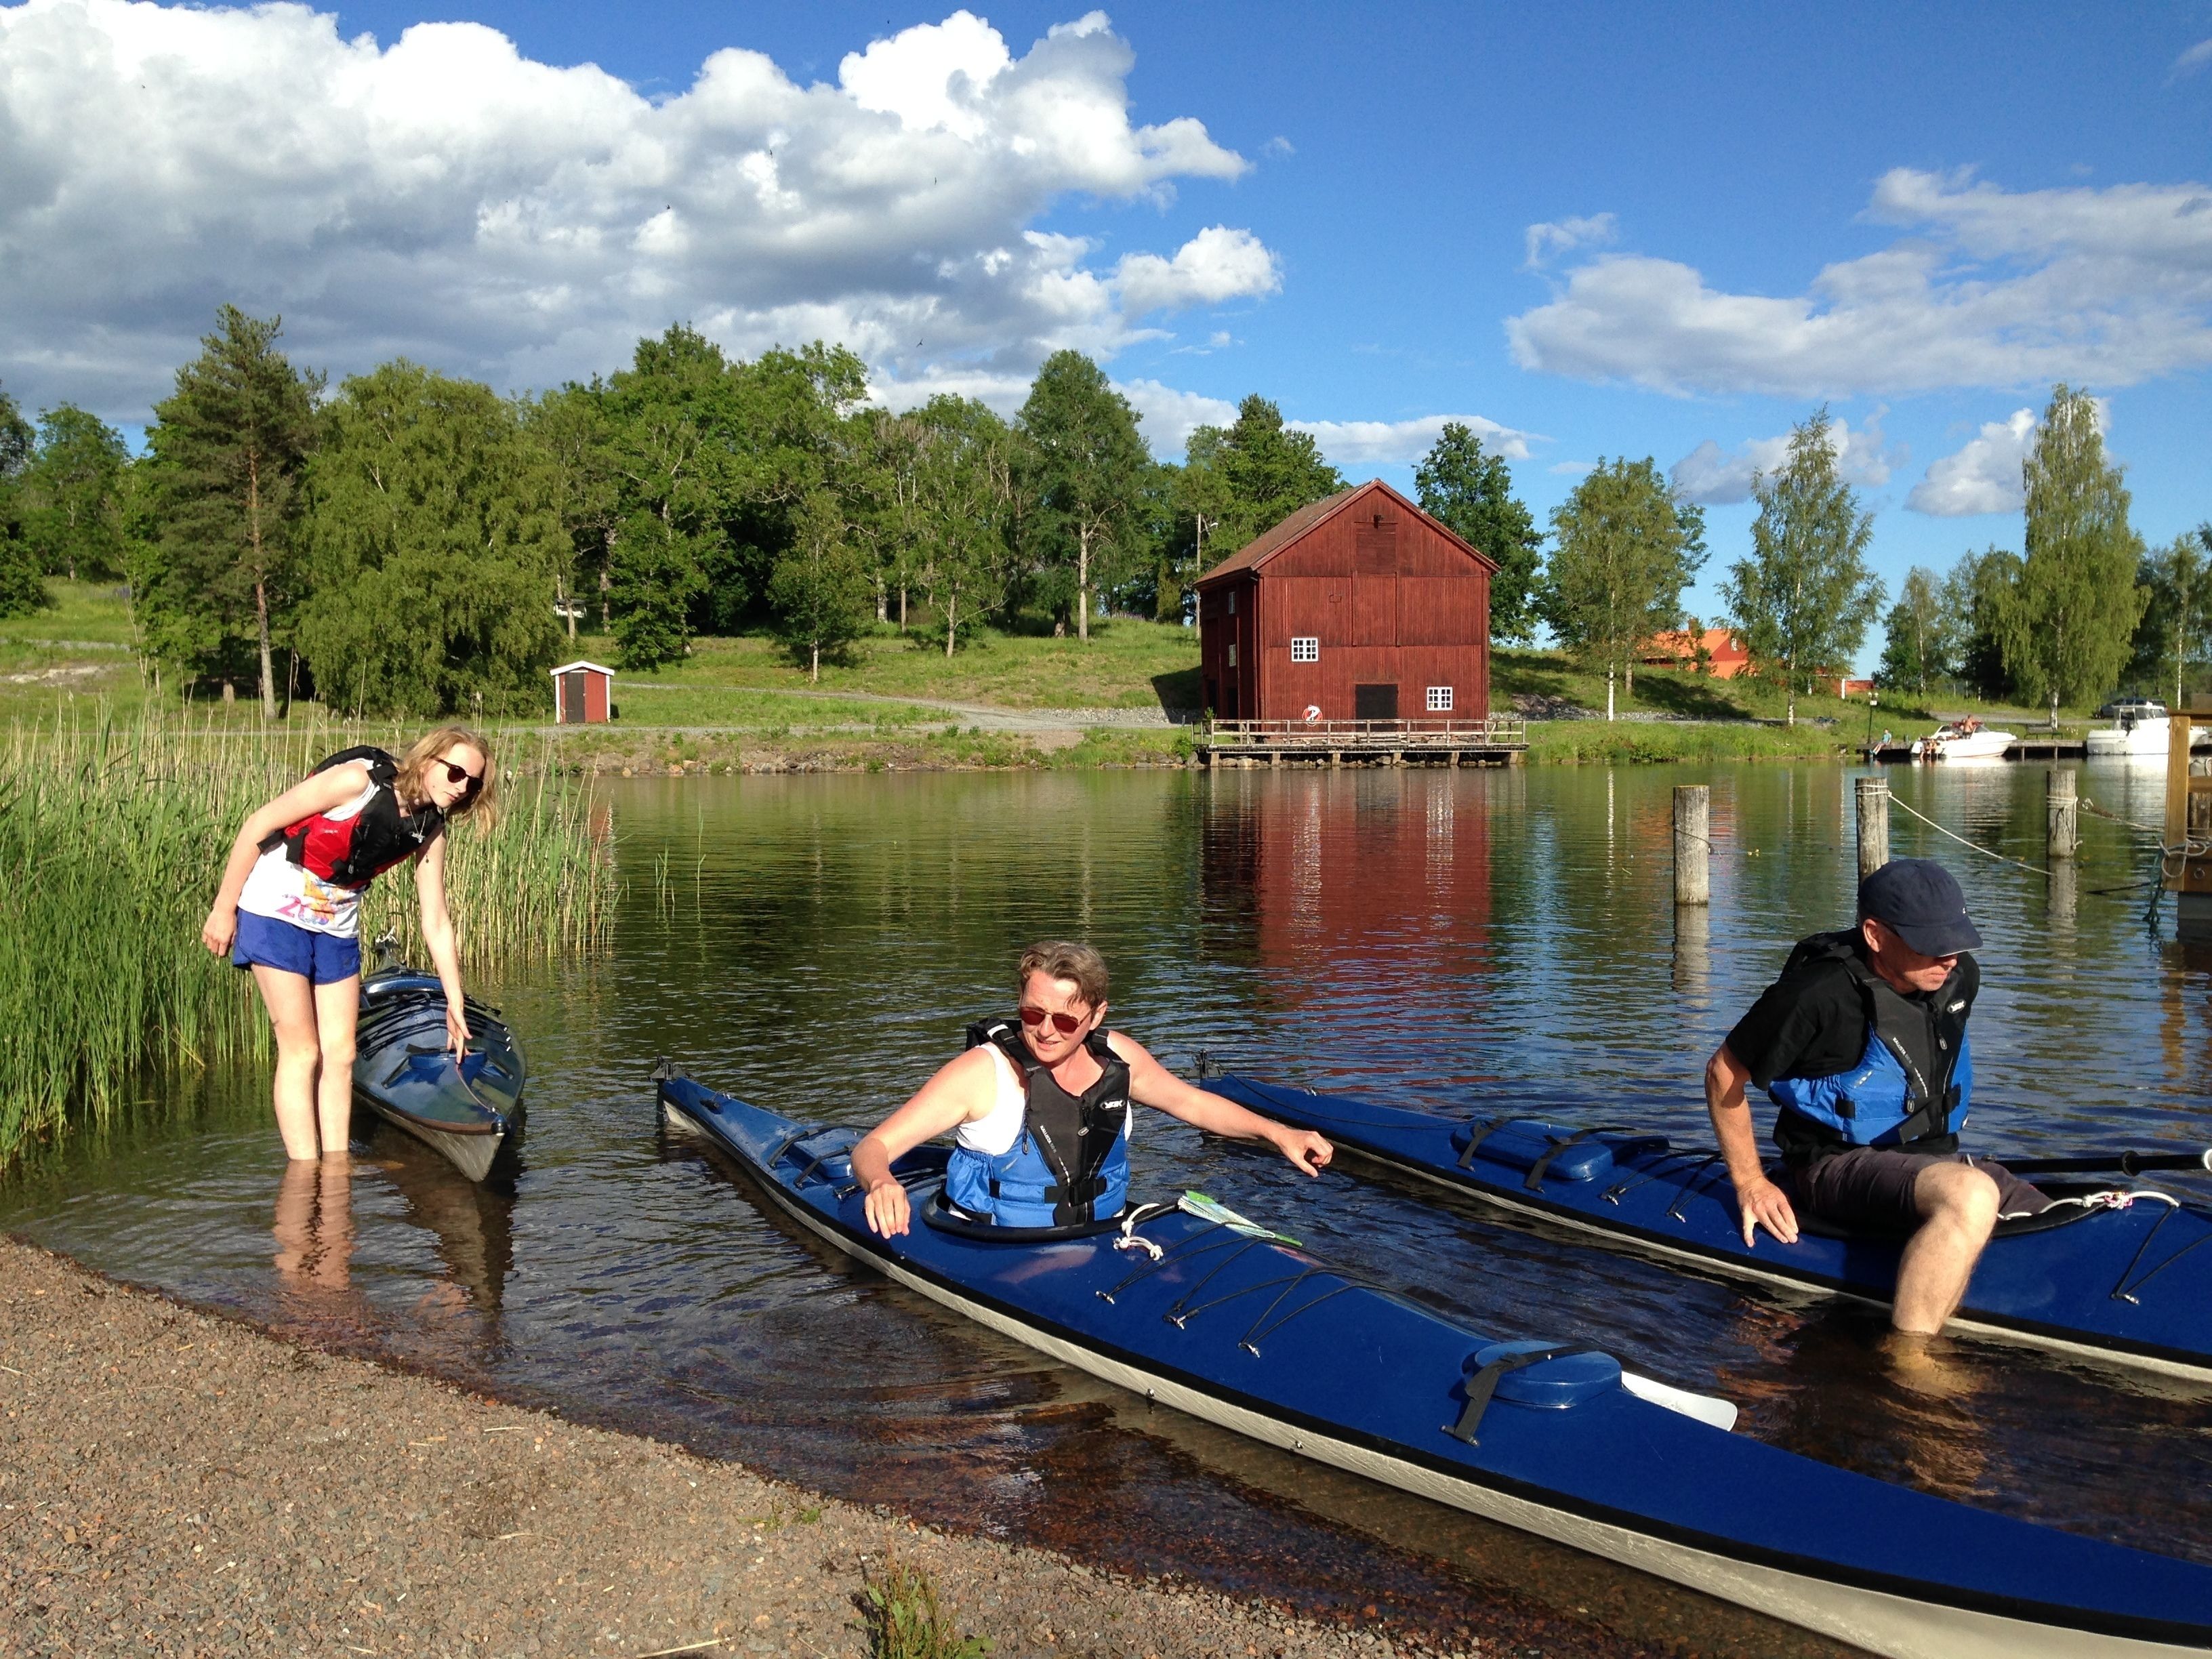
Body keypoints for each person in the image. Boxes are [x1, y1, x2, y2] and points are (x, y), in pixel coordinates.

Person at [1702, 858, 2046, 1336]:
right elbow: (1723, 1073)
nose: (1949, 958)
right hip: (1835, 1165)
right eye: (1932, 944)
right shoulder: (1817, 993)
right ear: (1876, 935)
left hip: (1927, 1160)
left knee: (2055, 1212)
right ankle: (1910, 1363)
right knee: (1972, 1194)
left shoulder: (1960, 975)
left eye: (1956, 940)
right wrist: (1751, 1183)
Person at [853, 940, 1333, 1238]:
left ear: (1097, 1016)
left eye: (1064, 1019)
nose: (1044, 1031)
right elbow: (874, 1147)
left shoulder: (1119, 1056)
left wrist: (1280, 1134)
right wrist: (881, 1182)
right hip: (1000, 1247)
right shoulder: (982, 1073)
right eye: (1032, 1014)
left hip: (1102, 1230)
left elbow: (1191, 1102)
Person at [201, 729, 495, 1162]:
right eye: (456, 773)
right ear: (429, 759)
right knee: (302, 1050)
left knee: (341, 1053)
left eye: (472, 784)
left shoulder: (431, 828)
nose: (461, 787)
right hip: (275, 910)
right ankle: (305, 1172)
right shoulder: (357, 782)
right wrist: (224, 909)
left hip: (336, 922)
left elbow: (435, 918)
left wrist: (454, 1001)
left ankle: (336, 1172)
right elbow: (259, 824)